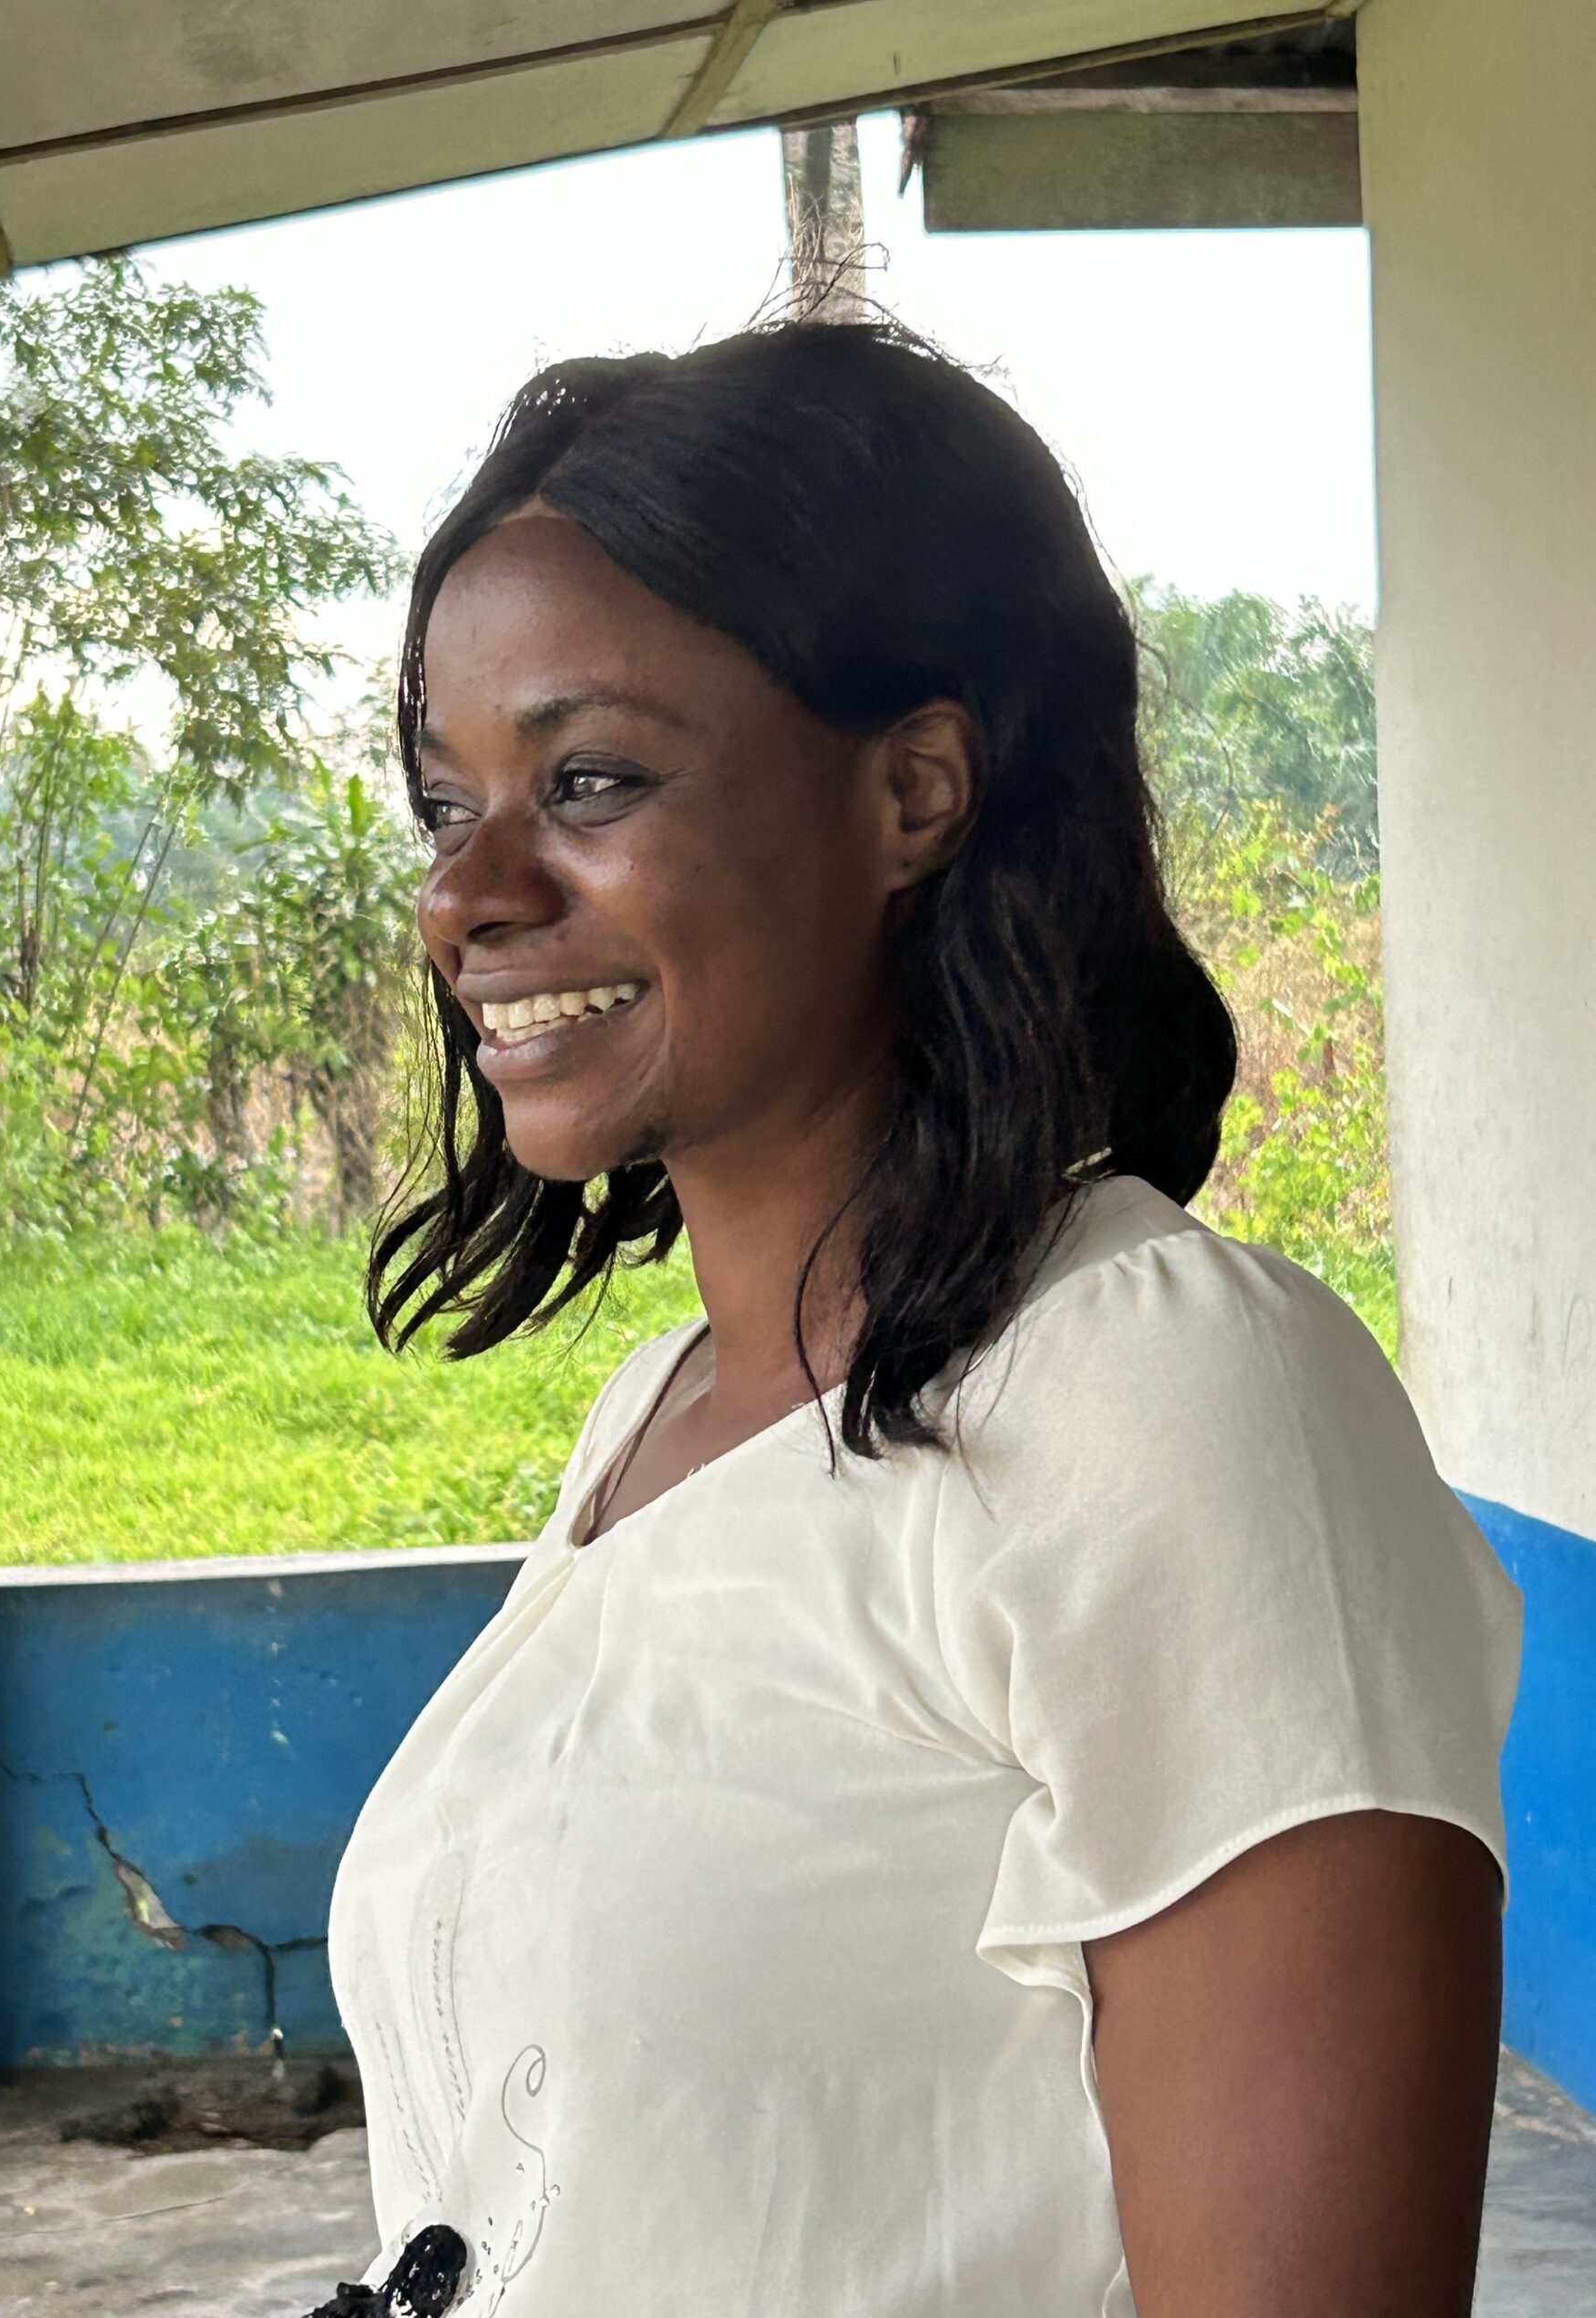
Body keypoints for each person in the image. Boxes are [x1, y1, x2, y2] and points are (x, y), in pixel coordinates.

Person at [321, 319, 1523, 2318]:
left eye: (589, 777)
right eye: (450, 803)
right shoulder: (662, 1412)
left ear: (916, 788)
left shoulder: (1165, 1392)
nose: (468, 894)